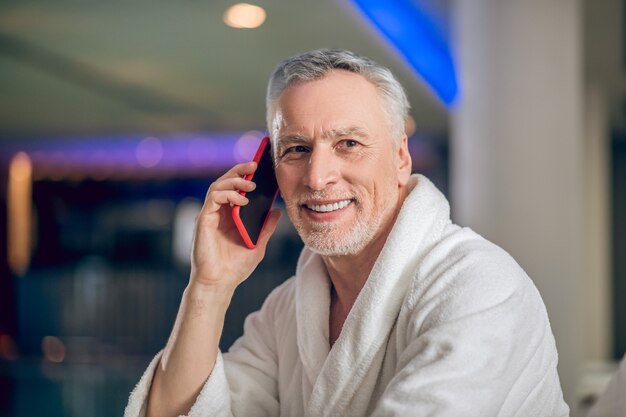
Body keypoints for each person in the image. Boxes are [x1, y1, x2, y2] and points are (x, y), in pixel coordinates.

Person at [125, 49, 569, 417]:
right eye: (296, 149)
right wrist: (209, 286)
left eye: (348, 144)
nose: (317, 177)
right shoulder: (290, 310)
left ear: (400, 159)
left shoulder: (479, 285)